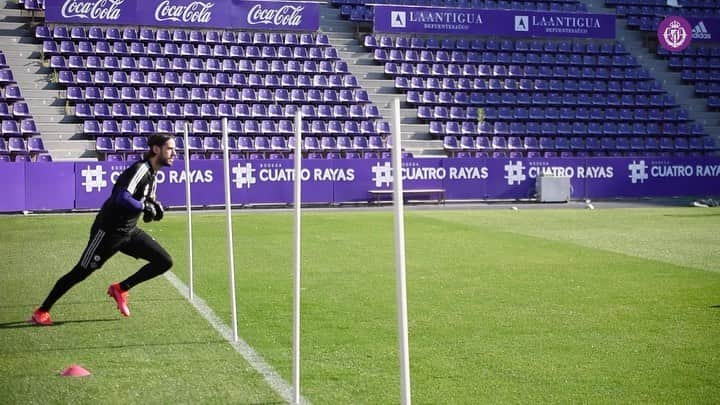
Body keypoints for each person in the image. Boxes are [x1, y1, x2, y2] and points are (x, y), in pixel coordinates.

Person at [29, 134, 177, 325]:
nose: (174, 153)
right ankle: (42, 311)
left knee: (164, 261)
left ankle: (121, 288)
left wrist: (153, 211)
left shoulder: (153, 176)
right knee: (80, 272)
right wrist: (144, 207)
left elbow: (142, 206)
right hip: (108, 232)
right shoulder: (141, 169)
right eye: (170, 149)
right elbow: (121, 198)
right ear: (156, 149)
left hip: (129, 232)